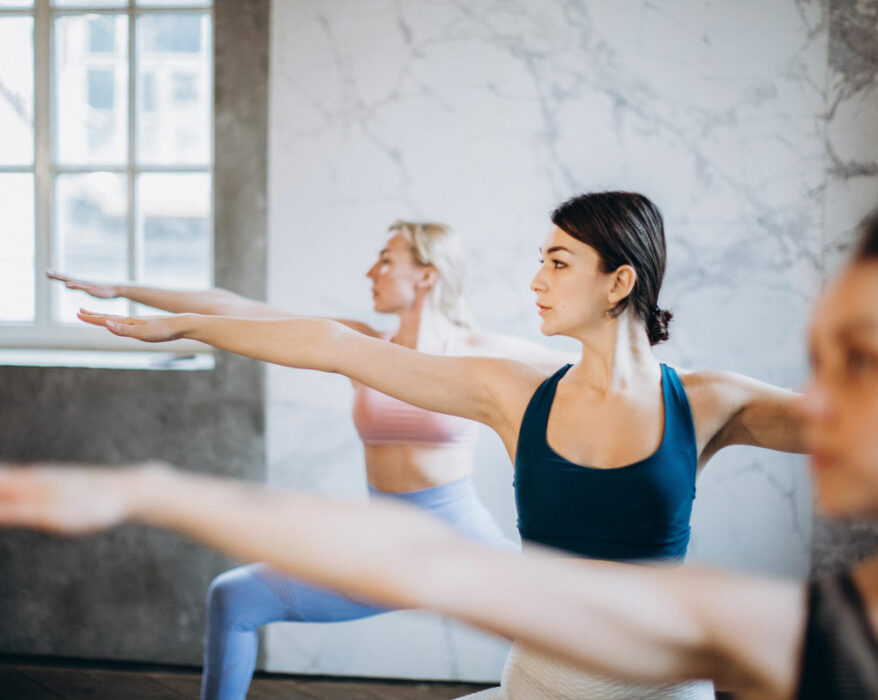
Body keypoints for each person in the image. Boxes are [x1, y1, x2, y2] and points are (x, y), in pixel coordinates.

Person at [3, 205, 878, 698]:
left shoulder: (709, 401)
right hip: (539, 673)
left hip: (661, 673)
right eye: (538, 258)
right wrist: (185, 324)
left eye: (557, 262)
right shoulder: (510, 390)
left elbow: (846, 423)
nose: (536, 278)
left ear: (619, 283)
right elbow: (334, 343)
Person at [49, 221, 572, 700]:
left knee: (574, 640)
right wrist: (123, 289)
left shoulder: (481, 350)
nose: (372, 271)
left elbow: (596, 368)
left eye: (387, 260)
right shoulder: (359, 343)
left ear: (428, 275)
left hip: (461, 541)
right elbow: (233, 307)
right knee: (233, 599)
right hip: (382, 545)